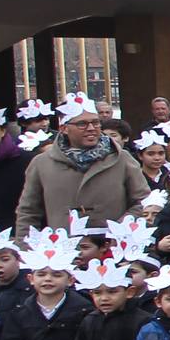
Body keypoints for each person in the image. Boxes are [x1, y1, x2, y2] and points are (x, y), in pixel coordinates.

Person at [15, 94, 150, 239]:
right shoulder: (42, 163)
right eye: (82, 124)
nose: (91, 128)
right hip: (62, 250)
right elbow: (28, 212)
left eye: (96, 123)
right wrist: (25, 248)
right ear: (64, 128)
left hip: (113, 248)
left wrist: (121, 227)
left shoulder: (121, 159)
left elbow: (144, 201)